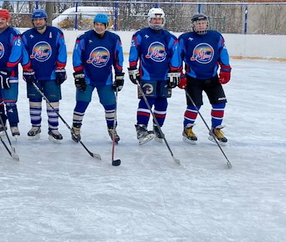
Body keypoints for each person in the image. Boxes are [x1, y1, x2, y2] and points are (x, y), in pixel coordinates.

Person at [128, 7, 181, 144]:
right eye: (154, 19)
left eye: (159, 19)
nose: (157, 21)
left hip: (164, 76)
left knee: (162, 103)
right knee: (147, 101)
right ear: (149, 20)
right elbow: (134, 53)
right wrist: (133, 68)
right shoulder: (140, 35)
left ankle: (158, 128)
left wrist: (175, 71)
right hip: (147, 75)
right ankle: (141, 129)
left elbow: (175, 55)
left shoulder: (169, 37)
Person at [176, 13, 232, 144]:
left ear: (207, 23)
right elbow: (177, 57)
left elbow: (223, 53)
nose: (201, 25)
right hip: (193, 79)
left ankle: (215, 129)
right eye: (198, 23)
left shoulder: (216, 36)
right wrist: (180, 74)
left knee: (219, 104)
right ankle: (187, 129)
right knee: (194, 106)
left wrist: (226, 69)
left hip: (212, 78)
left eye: (203, 23)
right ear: (193, 25)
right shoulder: (185, 38)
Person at [70, 13, 125, 143]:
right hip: (87, 78)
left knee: (110, 105)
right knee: (82, 103)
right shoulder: (84, 38)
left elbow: (119, 58)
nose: (99, 27)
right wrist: (78, 75)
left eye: (101, 25)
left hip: (105, 78)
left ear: (106, 25)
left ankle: (112, 129)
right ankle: (76, 128)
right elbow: (77, 56)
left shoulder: (114, 39)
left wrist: (119, 75)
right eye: (97, 24)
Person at [20, 9, 67, 141]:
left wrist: (60, 68)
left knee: (53, 102)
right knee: (34, 102)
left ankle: (53, 129)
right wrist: (27, 68)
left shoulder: (56, 33)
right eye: (35, 20)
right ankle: (35, 127)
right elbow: (23, 53)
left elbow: (62, 50)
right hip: (34, 74)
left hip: (51, 74)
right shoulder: (26, 35)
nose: (38, 22)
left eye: (40, 19)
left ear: (45, 20)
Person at [0, 9, 23, 136]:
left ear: (8, 20)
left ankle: (14, 125)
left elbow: (17, 51)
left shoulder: (14, 33)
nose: (1, 21)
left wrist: (8, 68)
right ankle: (1, 123)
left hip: (9, 74)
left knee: (10, 100)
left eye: (3, 19)